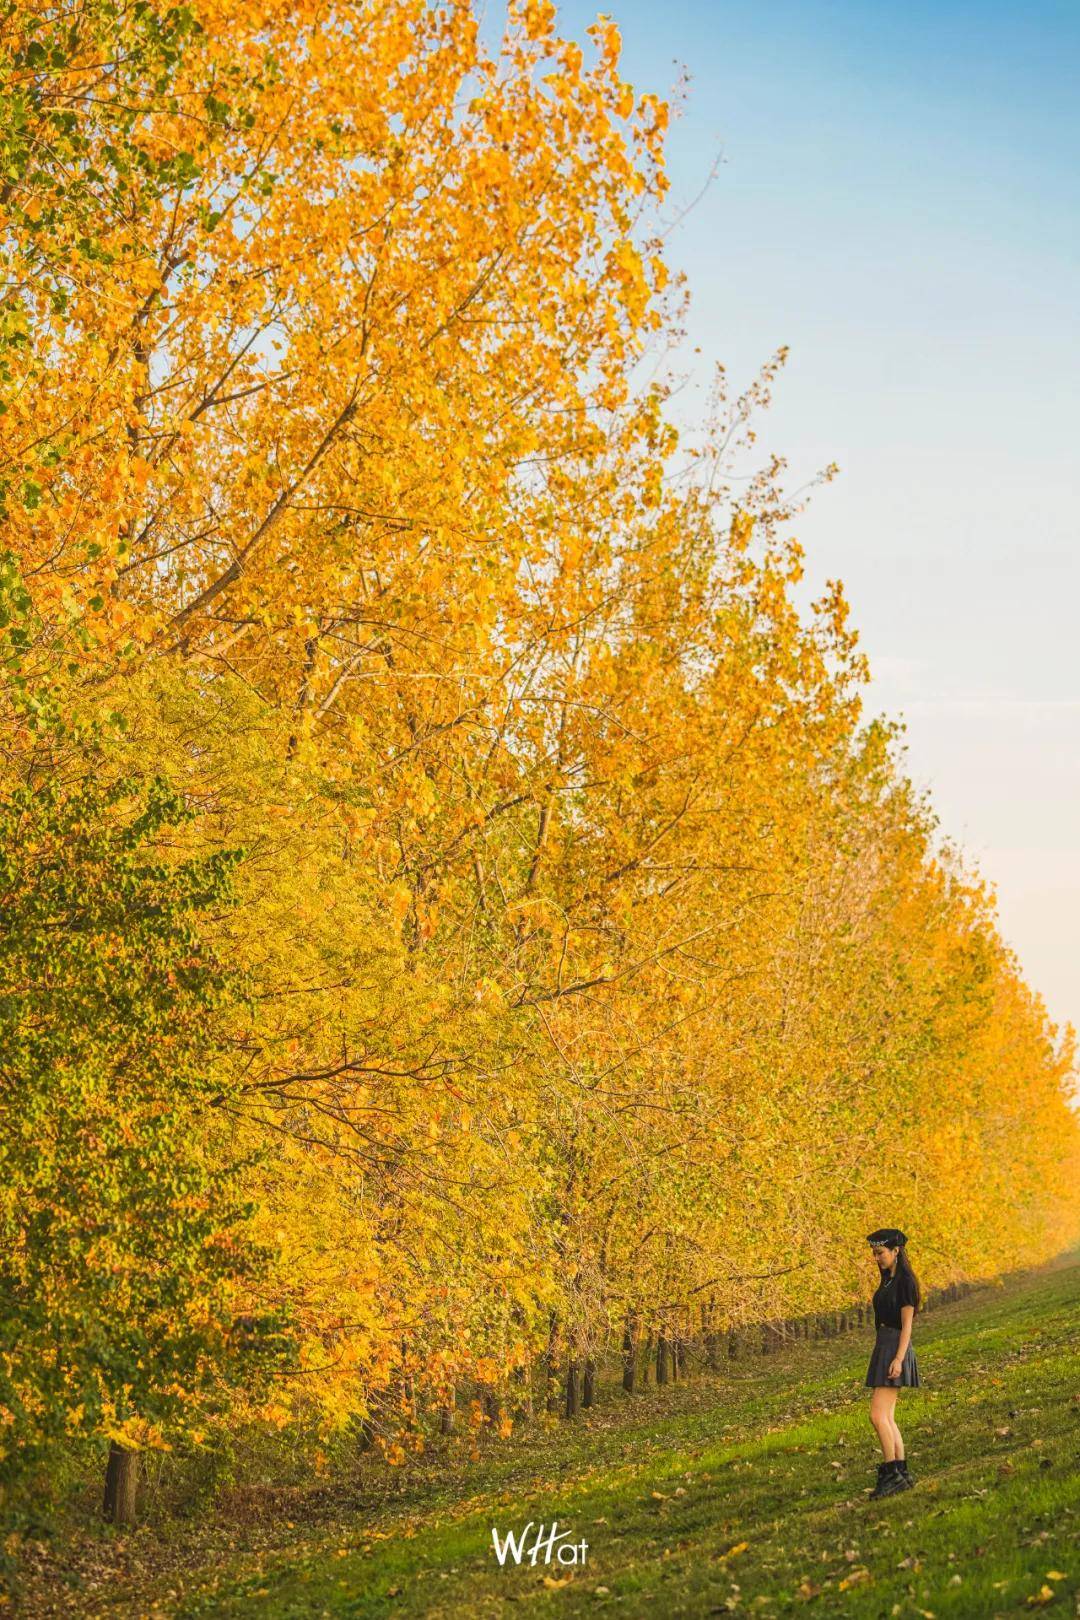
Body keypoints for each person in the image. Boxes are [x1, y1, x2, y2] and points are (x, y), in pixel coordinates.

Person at [864, 1227, 921, 1498]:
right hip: (884, 1345)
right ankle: (901, 1472)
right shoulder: (887, 1280)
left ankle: (891, 1474)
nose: (877, 1258)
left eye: (881, 1253)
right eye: (874, 1254)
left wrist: (899, 1358)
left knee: (877, 1415)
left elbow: (908, 1326)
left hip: (895, 1347)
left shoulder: (906, 1282)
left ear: (896, 1251)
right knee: (887, 1416)